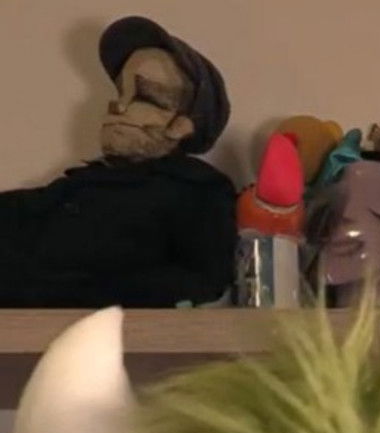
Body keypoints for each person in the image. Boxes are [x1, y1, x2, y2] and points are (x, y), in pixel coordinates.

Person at [0, 16, 236, 307]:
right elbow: (24, 211)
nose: (119, 106)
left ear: (181, 126)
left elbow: (203, 280)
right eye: (121, 92)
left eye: (146, 97)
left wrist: (77, 292)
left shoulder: (197, 189)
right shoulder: (84, 183)